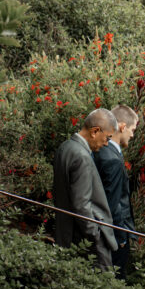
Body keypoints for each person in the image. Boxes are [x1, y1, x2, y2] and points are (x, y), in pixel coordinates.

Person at [53, 108, 119, 270]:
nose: (106, 144)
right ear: (95, 131)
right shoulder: (81, 156)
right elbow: (81, 204)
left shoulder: (65, 147)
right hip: (86, 241)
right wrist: (94, 235)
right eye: (107, 138)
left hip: (67, 233)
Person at [93, 104, 138, 278]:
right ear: (122, 126)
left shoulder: (100, 151)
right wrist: (120, 238)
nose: (132, 135)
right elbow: (113, 203)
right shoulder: (112, 159)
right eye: (132, 129)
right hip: (114, 235)